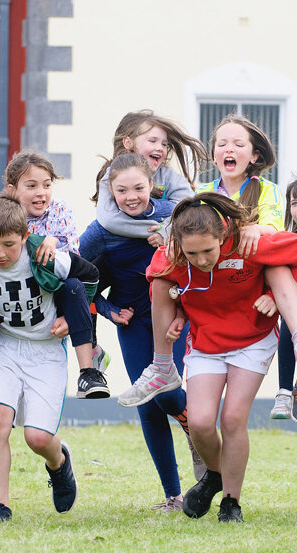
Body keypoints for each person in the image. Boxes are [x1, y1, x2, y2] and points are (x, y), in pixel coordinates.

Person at [146, 192, 297, 522]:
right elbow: (158, 280)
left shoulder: (248, 243)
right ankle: (214, 474)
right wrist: (177, 316)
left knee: (232, 420)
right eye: (192, 253)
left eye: (208, 251)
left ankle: (231, 501)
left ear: (224, 234)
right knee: (199, 423)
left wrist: (272, 294)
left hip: (253, 340)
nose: (201, 260)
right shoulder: (174, 256)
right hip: (206, 344)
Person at [118, 114, 285, 407]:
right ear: (215, 153)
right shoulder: (201, 193)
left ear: (255, 154)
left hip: (250, 295)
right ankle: (162, 365)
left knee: (233, 414)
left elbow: (273, 240)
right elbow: (189, 253)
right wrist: (181, 310)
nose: (228, 149)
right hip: (211, 300)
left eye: (238, 144)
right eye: (222, 144)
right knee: (163, 263)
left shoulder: (267, 190)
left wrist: (253, 231)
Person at [0, 193, 100, 522]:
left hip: (45, 349)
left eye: (9, 244)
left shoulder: (45, 256)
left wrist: (73, 318)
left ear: (24, 236)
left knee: (37, 438)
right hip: (5, 348)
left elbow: (88, 276)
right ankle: (0, 505)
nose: (0, 254)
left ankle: (59, 462)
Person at [0, 150, 109, 432]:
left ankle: (89, 368)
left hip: (53, 296)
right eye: (31, 186)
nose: (41, 193)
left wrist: (51, 241)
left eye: (47, 184)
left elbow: (74, 257)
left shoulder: (58, 210)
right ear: (12, 190)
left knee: (74, 286)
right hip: (10, 301)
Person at [80, 154, 203, 513]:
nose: (131, 196)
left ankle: (195, 430)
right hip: (133, 325)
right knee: (147, 402)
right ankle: (173, 495)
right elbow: (80, 283)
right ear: (109, 192)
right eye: (121, 190)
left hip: (175, 321)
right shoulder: (100, 233)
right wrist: (109, 310)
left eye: (138, 187)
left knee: (168, 389)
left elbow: (200, 263)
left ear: (152, 184)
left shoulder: (173, 216)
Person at [92, 109, 207, 242]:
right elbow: (108, 220)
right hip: (116, 243)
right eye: (152, 141)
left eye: (164, 144)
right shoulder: (112, 175)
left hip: (153, 247)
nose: (160, 147)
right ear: (128, 143)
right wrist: (157, 229)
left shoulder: (168, 177)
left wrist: (166, 231)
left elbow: (189, 208)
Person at [270, 179, 297, 419]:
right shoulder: (287, 242)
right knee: (290, 323)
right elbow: (271, 273)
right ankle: (285, 391)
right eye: (295, 203)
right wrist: (270, 296)